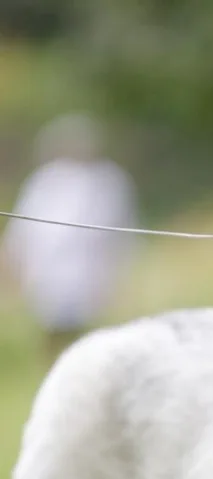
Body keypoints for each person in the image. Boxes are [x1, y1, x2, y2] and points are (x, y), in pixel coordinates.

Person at [1, 113, 138, 363]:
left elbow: (123, 229)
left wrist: (120, 273)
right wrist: (13, 264)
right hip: (49, 274)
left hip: (91, 273)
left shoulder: (108, 180)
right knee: (52, 329)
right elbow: (23, 228)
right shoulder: (45, 180)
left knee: (90, 337)